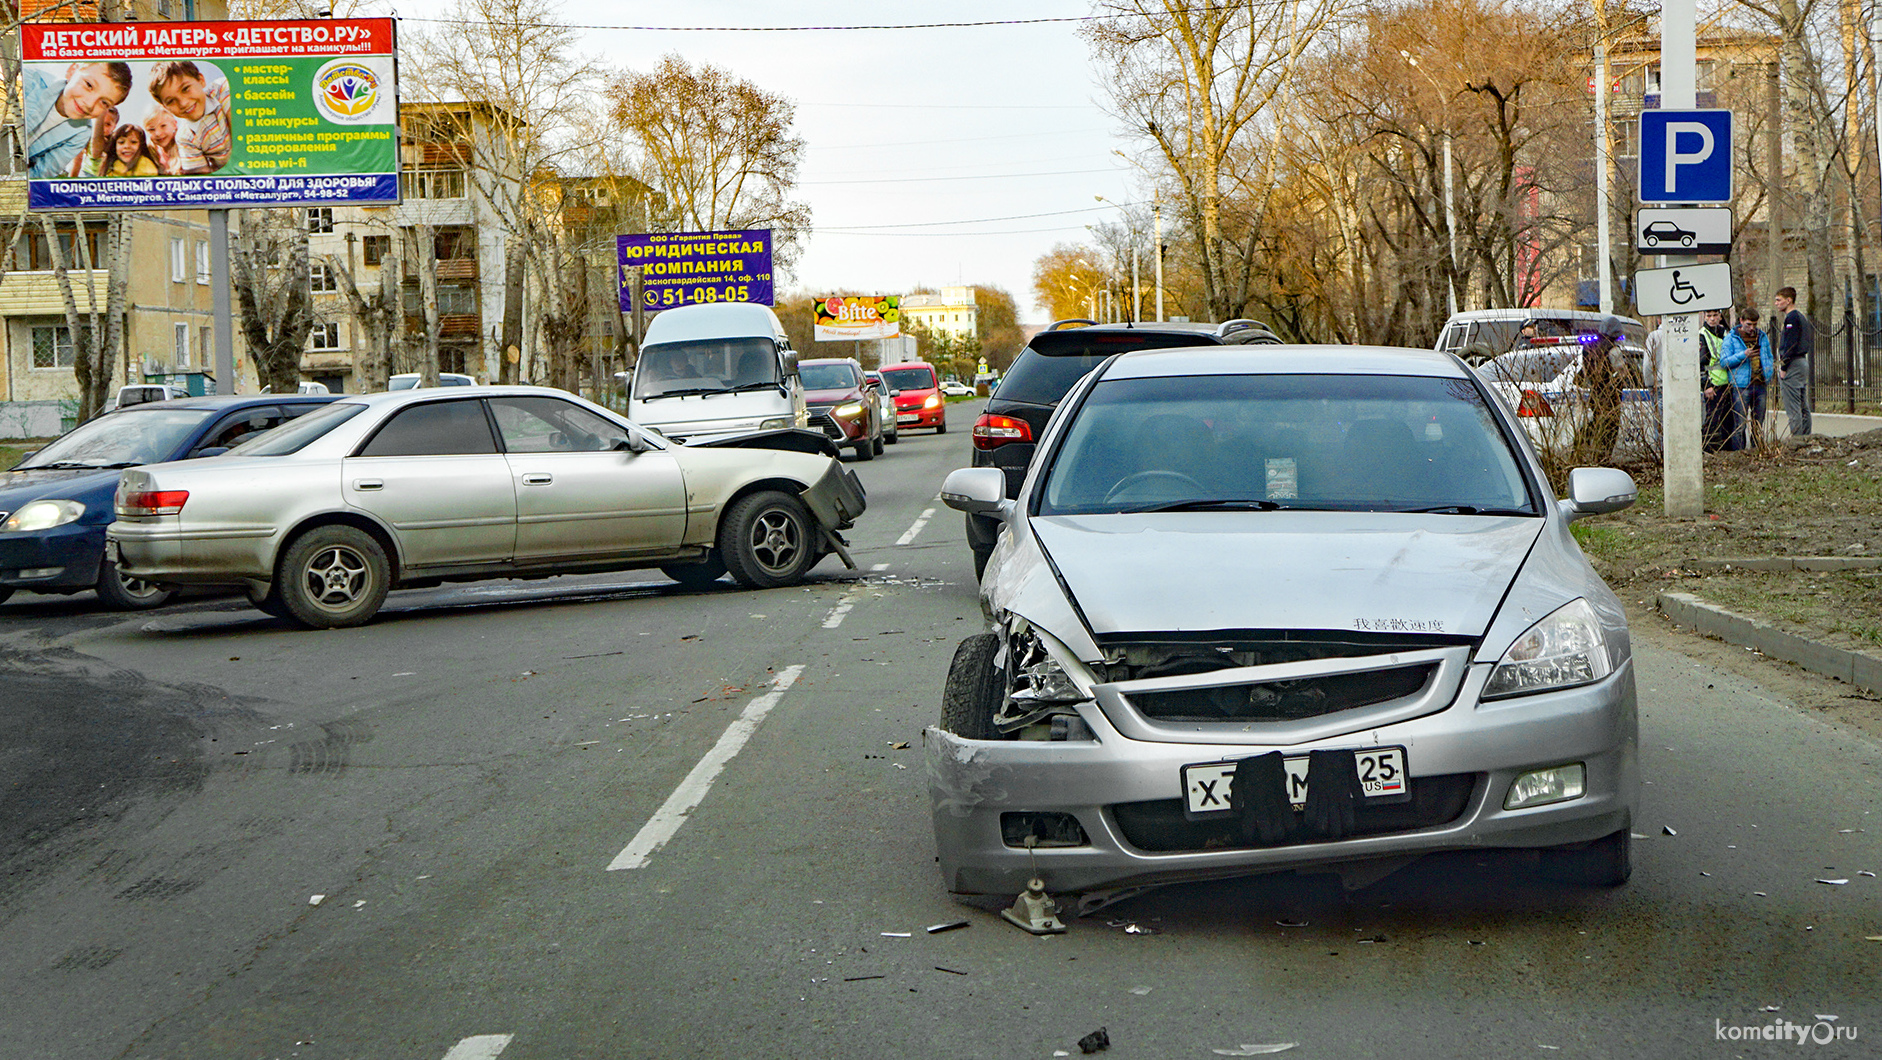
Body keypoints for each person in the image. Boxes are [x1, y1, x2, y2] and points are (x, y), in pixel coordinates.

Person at [19, 61, 134, 178]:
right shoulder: (28, 82)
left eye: (104, 102)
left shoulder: (82, 133)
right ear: (72, 71)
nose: (89, 104)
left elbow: (40, 174)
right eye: (89, 85)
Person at [149, 61, 231, 175]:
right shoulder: (185, 138)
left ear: (201, 80)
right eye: (171, 101)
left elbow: (244, 140)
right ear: (166, 108)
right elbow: (200, 178)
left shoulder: (222, 89)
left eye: (185, 89)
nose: (183, 103)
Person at [1721, 308, 1774, 451]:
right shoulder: (1731, 338)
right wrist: (1743, 355)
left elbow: (1768, 356)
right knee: (1739, 424)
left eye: (1754, 325)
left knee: (1758, 423)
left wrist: (1769, 372)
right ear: (1741, 321)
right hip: (1741, 386)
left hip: (1760, 384)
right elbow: (1724, 362)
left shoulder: (1762, 337)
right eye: (1748, 324)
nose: (1752, 328)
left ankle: (1757, 450)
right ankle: (1740, 453)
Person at [1773, 286, 1812, 436]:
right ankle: (1806, 437)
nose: (1776, 303)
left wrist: (1783, 367)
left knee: (1793, 407)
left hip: (1793, 365)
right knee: (1803, 405)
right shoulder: (1800, 317)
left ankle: (1797, 441)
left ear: (1789, 300)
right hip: (1802, 363)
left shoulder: (1792, 318)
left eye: (1779, 300)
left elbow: (1790, 344)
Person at [1700, 308, 1739, 452]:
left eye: (1715, 315)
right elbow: (1701, 364)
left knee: (1728, 420)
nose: (1712, 319)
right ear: (1704, 317)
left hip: (1728, 382)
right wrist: (1706, 386)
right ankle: (1708, 450)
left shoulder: (1725, 333)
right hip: (1714, 384)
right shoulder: (1702, 335)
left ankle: (1726, 450)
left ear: (1720, 316)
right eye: (1709, 316)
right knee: (1712, 420)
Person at [143, 109, 181, 175]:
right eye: (151, 129)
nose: (158, 133)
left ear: (174, 124)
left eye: (163, 126)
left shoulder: (185, 148)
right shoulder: (150, 153)